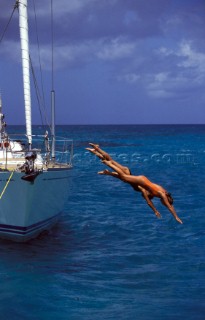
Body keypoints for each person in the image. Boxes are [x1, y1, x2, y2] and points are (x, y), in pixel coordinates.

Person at [86, 143, 183, 224]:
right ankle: (107, 163)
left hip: (140, 178)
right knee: (121, 174)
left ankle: (97, 150)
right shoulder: (156, 193)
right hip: (141, 180)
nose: (163, 203)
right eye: (164, 203)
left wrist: (109, 173)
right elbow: (165, 205)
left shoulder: (162, 192)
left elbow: (170, 205)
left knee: (114, 165)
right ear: (165, 199)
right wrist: (174, 216)